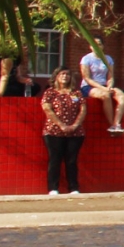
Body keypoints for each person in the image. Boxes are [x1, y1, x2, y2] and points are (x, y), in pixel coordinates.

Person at [41, 67, 86, 195]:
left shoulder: (76, 93)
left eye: (67, 74)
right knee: (55, 160)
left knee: (71, 160)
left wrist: (75, 125)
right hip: (54, 131)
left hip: (75, 132)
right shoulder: (50, 92)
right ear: (56, 76)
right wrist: (61, 125)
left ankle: (73, 188)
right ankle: (53, 188)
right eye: (62, 74)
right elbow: (47, 109)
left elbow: (83, 110)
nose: (65, 76)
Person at [78, 45, 124, 134]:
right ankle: (111, 124)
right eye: (94, 44)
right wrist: (103, 89)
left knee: (122, 96)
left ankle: (117, 123)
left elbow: (110, 77)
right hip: (89, 86)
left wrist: (109, 86)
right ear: (90, 46)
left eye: (99, 44)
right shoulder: (86, 59)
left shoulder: (108, 59)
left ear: (103, 46)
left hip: (105, 85)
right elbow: (87, 78)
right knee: (106, 95)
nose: (97, 46)